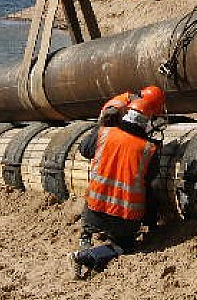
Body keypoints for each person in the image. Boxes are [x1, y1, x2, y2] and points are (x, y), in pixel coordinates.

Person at [70, 85, 166, 279]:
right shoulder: (149, 149)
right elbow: (151, 182)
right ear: (148, 122)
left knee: (90, 220)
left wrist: (103, 122)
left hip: (93, 210)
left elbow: (85, 150)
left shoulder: (104, 133)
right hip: (123, 219)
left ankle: (86, 236)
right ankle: (85, 256)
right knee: (124, 247)